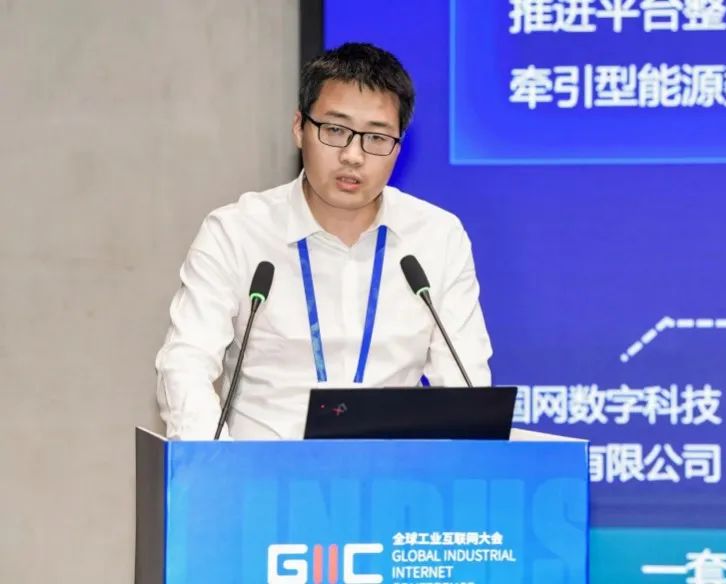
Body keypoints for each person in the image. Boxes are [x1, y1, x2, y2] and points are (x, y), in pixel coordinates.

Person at [155, 42, 492, 440]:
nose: (353, 155)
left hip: (393, 472)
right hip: (263, 471)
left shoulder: (437, 237)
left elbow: (464, 384)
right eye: (335, 130)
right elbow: (186, 364)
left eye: (376, 137)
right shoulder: (236, 233)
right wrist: (216, 465)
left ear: (398, 146)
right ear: (300, 128)